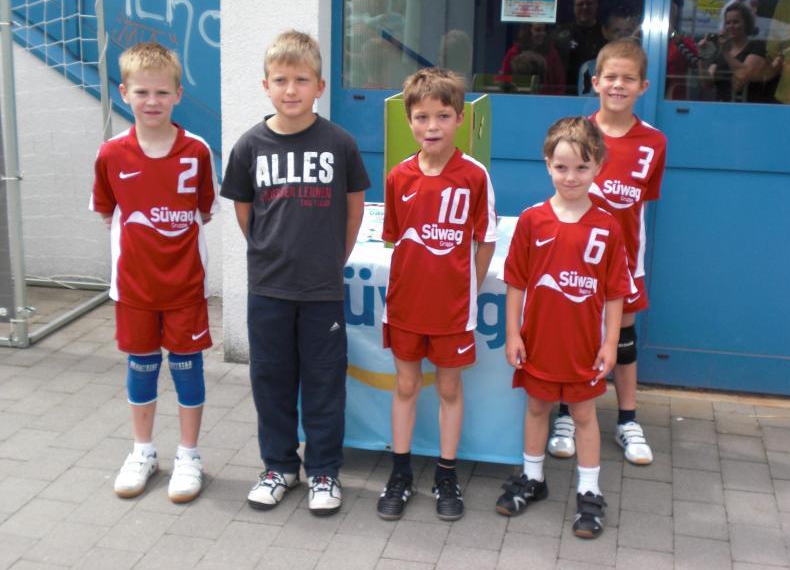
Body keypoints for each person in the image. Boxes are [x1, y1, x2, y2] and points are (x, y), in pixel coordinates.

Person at [221, 30, 370, 516]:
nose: (291, 90)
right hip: (269, 288)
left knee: (324, 383)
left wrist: (332, 259)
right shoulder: (250, 146)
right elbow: (245, 211)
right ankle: (279, 466)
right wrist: (270, 253)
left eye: (302, 80)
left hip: (322, 290)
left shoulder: (340, 143)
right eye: (281, 80)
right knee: (271, 381)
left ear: (320, 86)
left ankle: (324, 471)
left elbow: (354, 210)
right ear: (265, 85)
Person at [90, 42, 218, 503]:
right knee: (141, 367)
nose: (152, 101)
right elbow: (108, 213)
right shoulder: (111, 154)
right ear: (124, 93)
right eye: (142, 92)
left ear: (178, 95)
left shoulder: (197, 151)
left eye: (162, 92)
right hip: (134, 289)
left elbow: (204, 211)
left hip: (185, 287)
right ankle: (142, 451)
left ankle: (189, 455)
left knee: (187, 368)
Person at [496, 116, 633, 539]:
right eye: (561, 167)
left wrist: (610, 342)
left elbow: (615, 293)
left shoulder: (607, 226)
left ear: (598, 168)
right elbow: (516, 282)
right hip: (539, 341)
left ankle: (589, 491)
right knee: (537, 407)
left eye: (581, 167)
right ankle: (533, 478)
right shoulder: (532, 220)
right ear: (547, 165)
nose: (571, 177)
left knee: (584, 415)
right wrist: (513, 333)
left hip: (583, 346)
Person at [377, 67, 498, 522]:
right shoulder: (398, 176)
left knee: (449, 387)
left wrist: (468, 287)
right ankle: (400, 473)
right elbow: (396, 240)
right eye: (422, 117)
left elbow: (486, 239)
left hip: (453, 311)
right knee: (406, 385)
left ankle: (446, 475)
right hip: (405, 305)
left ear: (460, 119)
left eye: (443, 116)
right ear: (408, 120)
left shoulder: (474, 175)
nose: (432, 126)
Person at [548, 39, 667, 467]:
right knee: (575, 332)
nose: (618, 85)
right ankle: (566, 414)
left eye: (628, 79)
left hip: (625, 259)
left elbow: (641, 204)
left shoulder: (654, 142)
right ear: (595, 82)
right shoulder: (576, 133)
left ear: (643, 86)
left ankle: (627, 420)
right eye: (611, 77)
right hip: (576, 256)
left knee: (623, 338)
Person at [701, 2, 770, 102]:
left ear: (746, 23)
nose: (731, 26)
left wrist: (726, 52)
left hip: (747, 107)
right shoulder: (721, 51)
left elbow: (744, 74)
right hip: (721, 107)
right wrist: (702, 57)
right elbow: (707, 83)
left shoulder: (757, 46)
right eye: (728, 23)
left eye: (736, 22)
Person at [555, 0, 607, 95]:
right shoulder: (561, 34)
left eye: (589, 3)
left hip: (596, 94)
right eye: (580, 4)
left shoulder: (606, 33)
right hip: (566, 93)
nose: (584, 7)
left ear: (596, 5)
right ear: (574, 7)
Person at [499, 23, 566, 94]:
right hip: (518, 96)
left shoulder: (552, 53)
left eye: (544, 30)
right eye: (538, 30)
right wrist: (513, 81)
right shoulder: (513, 52)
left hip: (546, 98)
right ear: (528, 31)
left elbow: (560, 84)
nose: (543, 33)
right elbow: (502, 78)